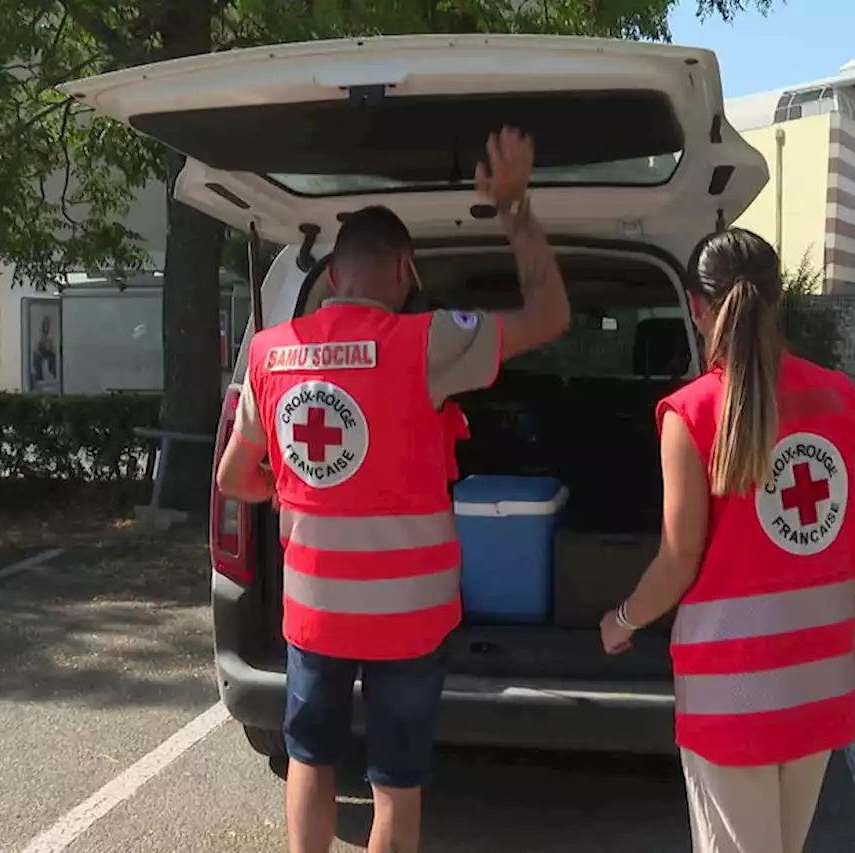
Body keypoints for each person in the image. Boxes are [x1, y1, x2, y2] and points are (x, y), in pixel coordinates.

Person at [215, 126, 569, 853]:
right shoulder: (425, 342)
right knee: (394, 780)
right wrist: (515, 210)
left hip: (314, 609)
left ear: (337, 275)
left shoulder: (269, 352)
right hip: (409, 616)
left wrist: (293, 495)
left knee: (309, 757)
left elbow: (232, 477)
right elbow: (550, 317)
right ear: (405, 268)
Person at [598, 228, 855, 853]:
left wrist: (620, 621)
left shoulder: (691, 413)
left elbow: (678, 561)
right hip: (819, 681)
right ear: (780, 301)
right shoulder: (838, 399)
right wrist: (849, 630)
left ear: (698, 309)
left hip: (731, 691)